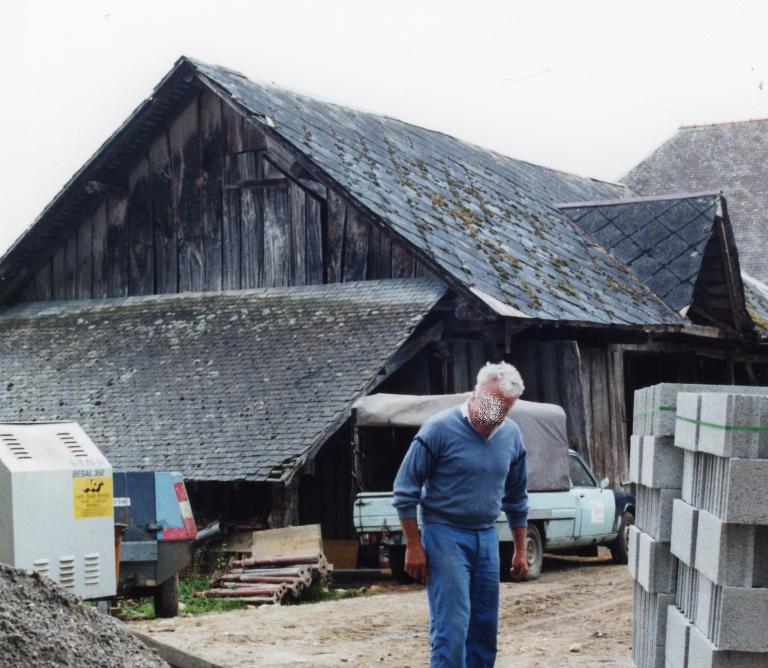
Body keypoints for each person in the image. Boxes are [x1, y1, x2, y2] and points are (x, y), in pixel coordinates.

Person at [392, 361, 529, 668]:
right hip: (444, 533)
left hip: (485, 535)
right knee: (452, 629)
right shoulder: (438, 429)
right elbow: (405, 490)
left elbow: (517, 498)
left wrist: (520, 549)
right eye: (490, 405)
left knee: (484, 629)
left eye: (502, 410)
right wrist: (414, 545)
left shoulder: (512, 436)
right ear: (474, 392)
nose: (493, 416)